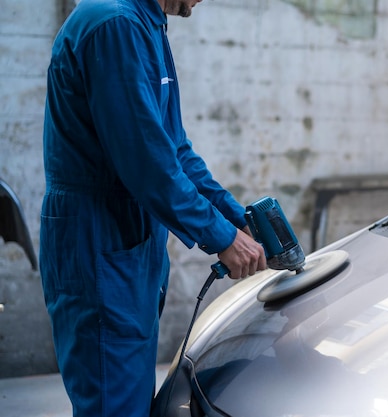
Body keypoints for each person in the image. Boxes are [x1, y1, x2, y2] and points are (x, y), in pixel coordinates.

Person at [39, 0, 267, 415]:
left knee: (128, 395)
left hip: (127, 240)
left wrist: (238, 220)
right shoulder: (115, 26)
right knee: (114, 402)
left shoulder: (147, 23)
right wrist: (220, 236)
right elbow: (147, 161)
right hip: (98, 236)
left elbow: (174, 149)